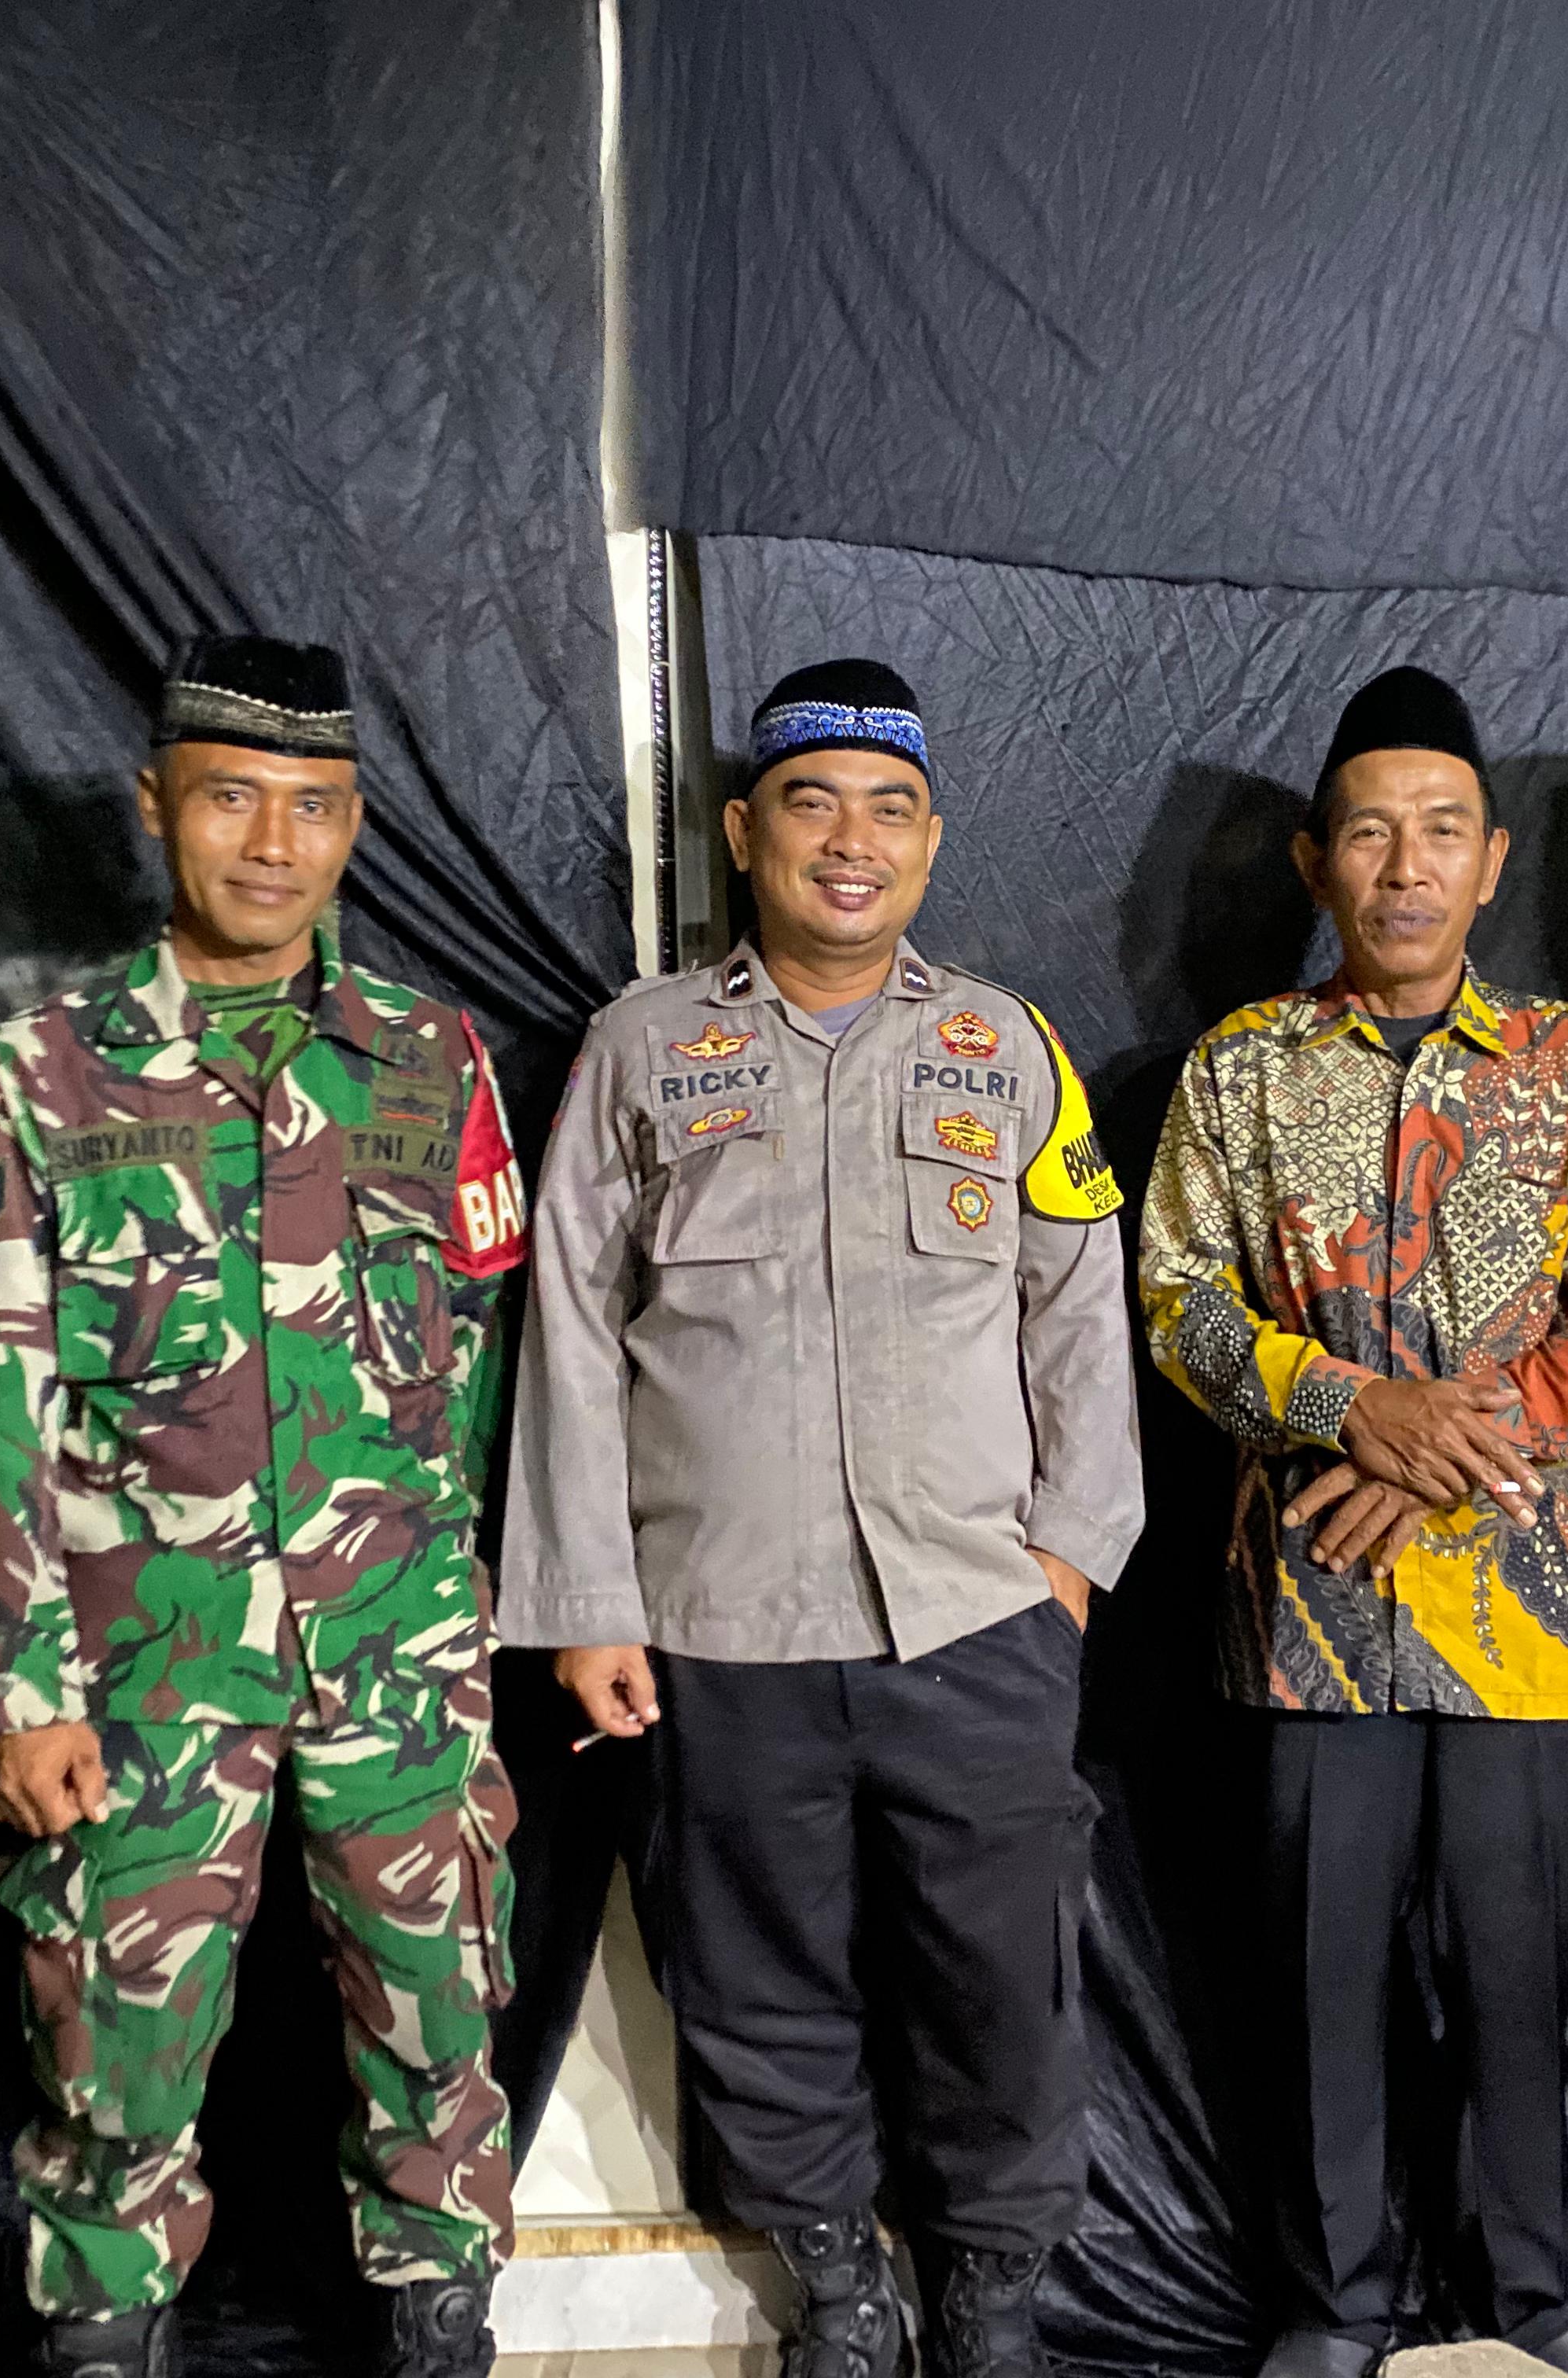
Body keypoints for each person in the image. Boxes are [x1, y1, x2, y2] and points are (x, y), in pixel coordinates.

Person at [0, 635, 532, 2378]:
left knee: (437, 2021)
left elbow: (482, 1361)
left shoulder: (430, 1058)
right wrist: (13, 1690)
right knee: (118, 2044)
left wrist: (472, 1631)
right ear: (154, 805)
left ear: (354, 826)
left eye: (313, 807)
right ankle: (106, 2331)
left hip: (399, 1646)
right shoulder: (45, 1071)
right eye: (232, 798)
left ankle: (439, 2320)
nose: (272, 843)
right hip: (139, 1667)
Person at [499, 661, 1144, 2378]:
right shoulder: (642, 1052)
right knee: (757, 1980)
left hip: (977, 1619)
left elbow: (1083, 1311)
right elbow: (570, 1331)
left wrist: (1070, 1562)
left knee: (1002, 1986)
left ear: (929, 839)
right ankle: (838, 2293)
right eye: (812, 803)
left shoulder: (1006, 1050)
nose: (850, 842)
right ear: (743, 831)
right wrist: (588, 1600)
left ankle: (989, 2298)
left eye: (888, 809)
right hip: (720, 1627)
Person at [1138, 667, 1568, 2378]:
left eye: (1442, 831)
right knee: (1319, 1984)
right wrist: (1343, 1407)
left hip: (1532, 1608)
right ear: (1317, 864)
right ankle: (1335, 2306)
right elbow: (1178, 1299)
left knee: (1518, 1978)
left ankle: (1531, 2296)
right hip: (1312, 1607)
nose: (1406, 865)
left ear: (1492, 862)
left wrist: (1441, 1441)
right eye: (1370, 833)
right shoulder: (1241, 1071)